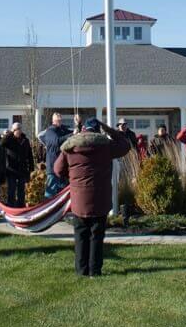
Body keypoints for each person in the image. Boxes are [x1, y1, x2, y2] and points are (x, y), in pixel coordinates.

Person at [53, 117, 129, 277]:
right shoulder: (106, 147)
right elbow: (125, 144)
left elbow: (57, 170)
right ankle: (95, 271)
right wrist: (107, 128)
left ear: (83, 130)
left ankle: (81, 271)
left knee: (81, 235)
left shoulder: (70, 147)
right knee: (97, 235)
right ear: (97, 130)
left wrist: (72, 178)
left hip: (79, 199)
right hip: (100, 199)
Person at [38, 112, 75, 197]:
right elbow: (57, 141)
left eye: (60, 120)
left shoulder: (62, 130)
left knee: (61, 192)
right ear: (53, 121)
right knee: (50, 192)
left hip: (62, 167)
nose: (60, 122)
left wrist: (78, 124)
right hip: (52, 167)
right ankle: (48, 208)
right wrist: (71, 135)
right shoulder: (50, 131)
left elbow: (74, 133)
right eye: (58, 120)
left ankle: (59, 209)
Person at [2, 122, 34, 207]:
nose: (18, 131)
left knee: (21, 190)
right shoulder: (9, 139)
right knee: (11, 189)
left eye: (19, 128)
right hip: (11, 169)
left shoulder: (25, 140)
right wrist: (9, 134)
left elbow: (30, 155)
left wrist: (31, 167)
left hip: (22, 169)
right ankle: (11, 205)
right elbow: (1, 143)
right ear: (13, 130)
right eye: (16, 129)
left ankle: (21, 205)